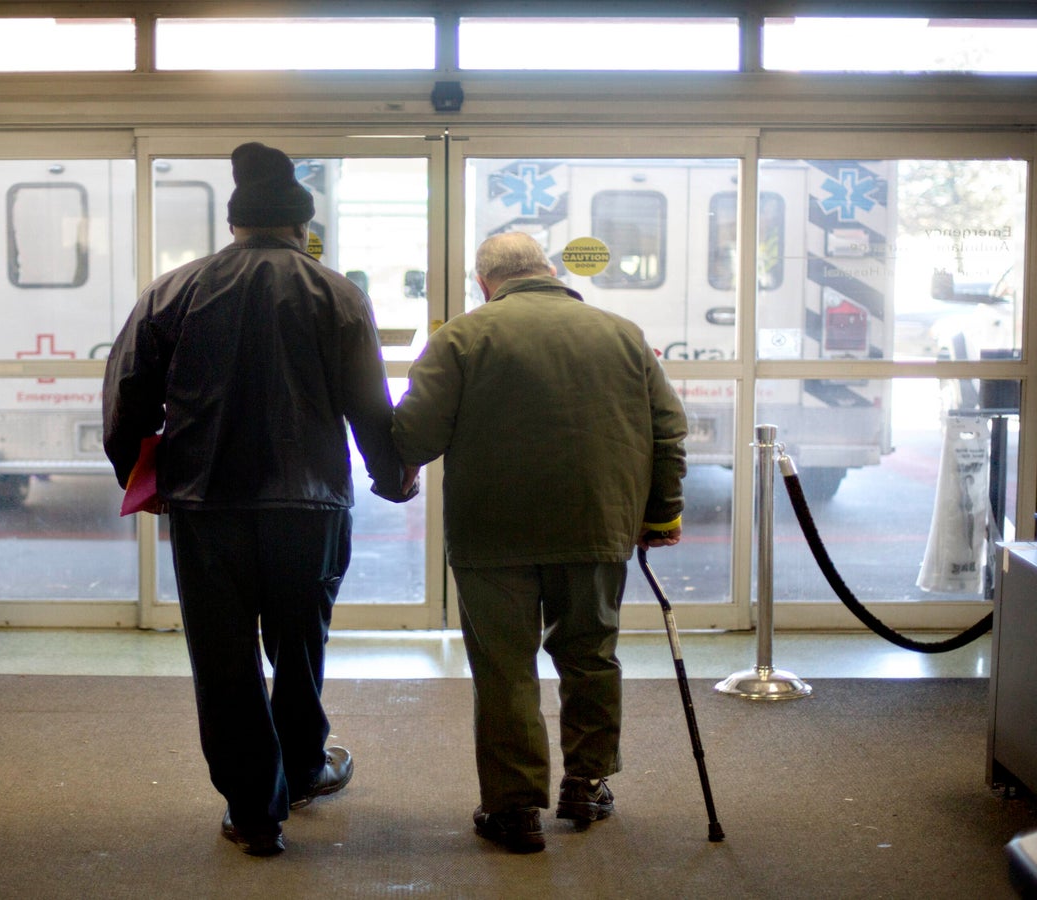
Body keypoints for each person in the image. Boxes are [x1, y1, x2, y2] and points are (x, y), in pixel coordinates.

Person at [102, 142, 417, 856]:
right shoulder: (337, 293)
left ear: (235, 226)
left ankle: (253, 813)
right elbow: (368, 399)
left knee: (222, 655)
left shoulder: (173, 289)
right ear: (301, 229)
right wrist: (390, 472)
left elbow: (124, 395)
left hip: (205, 503)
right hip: (308, 503)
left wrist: (139, 477)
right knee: (300, 642)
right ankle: (304, 766)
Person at [391, 231, 688, 854]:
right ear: (551, 272)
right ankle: (586, 783)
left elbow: (414, 434)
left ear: (484, 282)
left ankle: (515, 810)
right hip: (596, 524)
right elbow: (667, 432)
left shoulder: (464, 336)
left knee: (504, 670)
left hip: (491, 532)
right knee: (590, 655)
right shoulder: (622, 333)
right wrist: (659, 517)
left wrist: (396, 473)